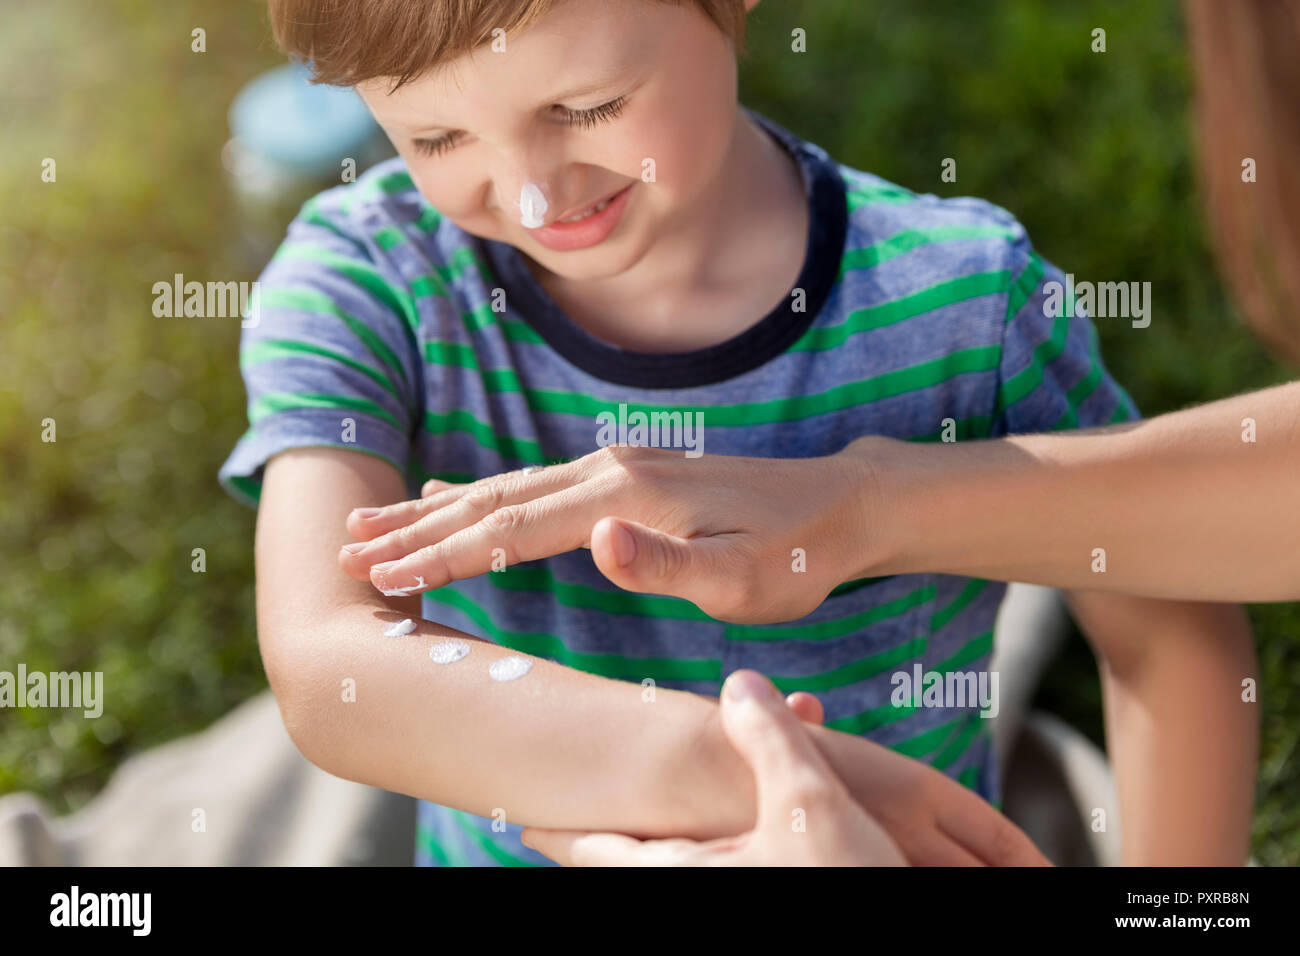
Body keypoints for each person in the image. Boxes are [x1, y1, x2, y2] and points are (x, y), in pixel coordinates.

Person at [222, 0, 1255, 867]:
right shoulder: (362, 285)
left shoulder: (967, 301)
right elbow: (331, 667)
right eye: (435, 138)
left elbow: (1164, 622)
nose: (534, 194)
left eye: (587, 105)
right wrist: (744, 774)